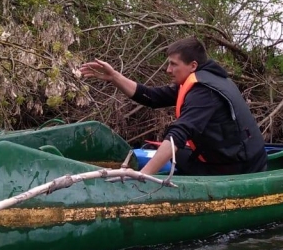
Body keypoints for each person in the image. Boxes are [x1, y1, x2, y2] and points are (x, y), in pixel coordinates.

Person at [79, 37, 267, 176]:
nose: (168, 70)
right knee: (178, 155)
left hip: (240, 168)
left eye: (173, 64)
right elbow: (152, 97)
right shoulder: (202, 79)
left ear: (193, 65)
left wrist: (142, 176)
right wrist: (114, 77)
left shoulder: (204, 92)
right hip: (235, 157)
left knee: (176, 152)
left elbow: (179, 133)